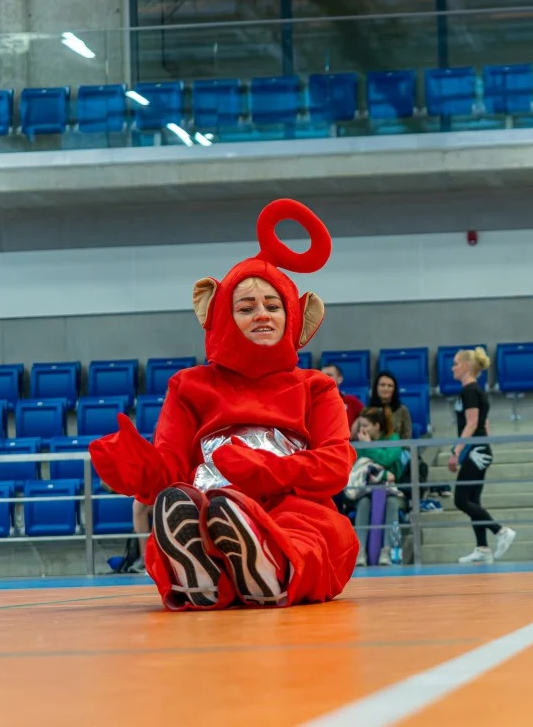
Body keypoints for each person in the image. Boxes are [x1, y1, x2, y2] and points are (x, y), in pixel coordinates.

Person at [90, 199, 358, 611]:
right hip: (211, 501)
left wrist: (266, 471)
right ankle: (229, 569)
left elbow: (336, 465)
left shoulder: (316, 387)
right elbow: (171, 466)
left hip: (293, 504)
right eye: (246, 308)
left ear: (294, 316)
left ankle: (263, 565)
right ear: (221, 316)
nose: (262, 316)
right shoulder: (189, 386)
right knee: (179, 510)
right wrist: (137, 468)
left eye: (273, 306)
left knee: (320, 531)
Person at [449, 347, 516, 563]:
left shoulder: (470, 391)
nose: (453, 367)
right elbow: (485, 423)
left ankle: (500, 531)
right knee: (473, 499)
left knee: (460, 499)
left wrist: (456, 452)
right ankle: (483, 547)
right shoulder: (475, 390)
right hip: (480, 449)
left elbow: (472, 423)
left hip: (475, 451)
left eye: (456, 363)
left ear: (467, 366)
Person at [352, 407, 404, 567]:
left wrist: (368, 446)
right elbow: (357, 465)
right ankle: (359, 552)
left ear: (377, 426)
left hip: (392, 490)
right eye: (360, 426)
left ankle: (387, 551)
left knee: (392, 504)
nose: (362, 430)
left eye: (365, 426)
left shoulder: (393, 439)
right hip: (365, 489)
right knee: (363, 505)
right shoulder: (359, 443)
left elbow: (387, 460)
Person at [367, 370, 412, 443]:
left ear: (394, 389)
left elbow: (407, 437)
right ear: (376, 388)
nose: (386, 388)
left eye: (390, 386)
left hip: (397, 450)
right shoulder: (368, 411)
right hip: (372, 450)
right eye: (382, 385)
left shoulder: (403, 410)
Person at [322, 363, 364, 428]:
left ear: (340, 379)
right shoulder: (313, 402)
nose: (324, 378)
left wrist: (357, 422)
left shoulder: (350, 401)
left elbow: (368, 416)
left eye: (329, 375)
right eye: (321, 376)